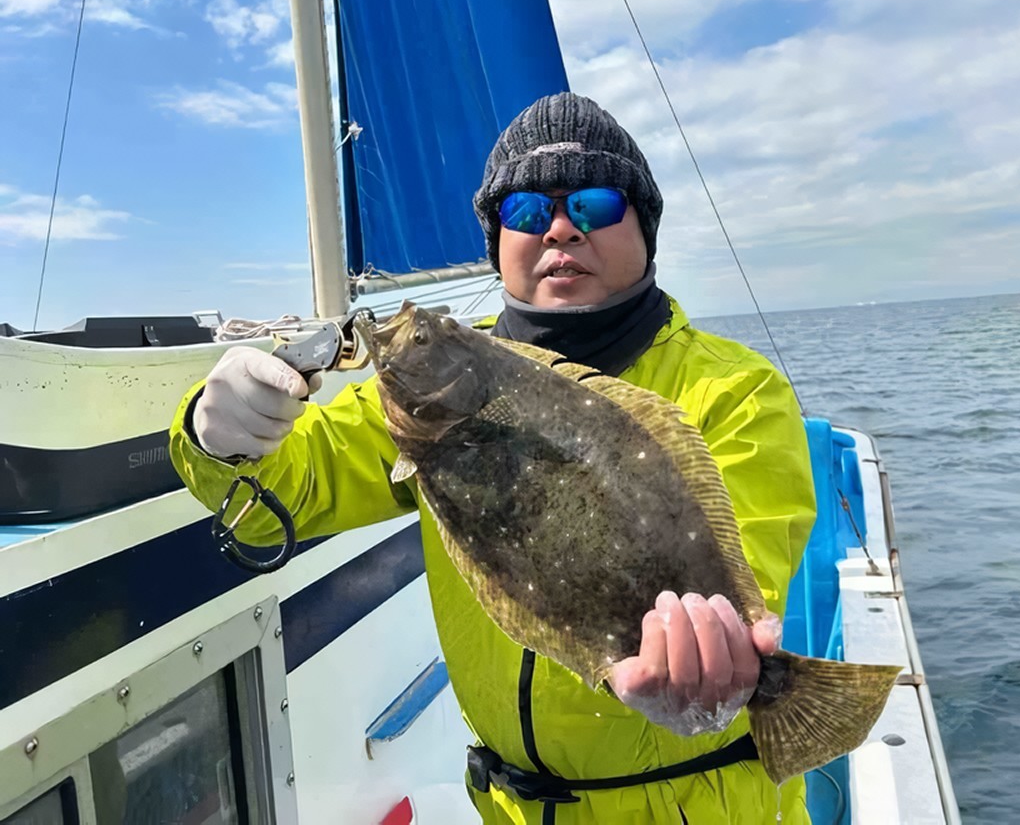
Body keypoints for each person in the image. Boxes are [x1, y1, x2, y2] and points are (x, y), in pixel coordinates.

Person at [170, 92, 818, 823]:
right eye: (527, 212)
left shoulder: (734, 390)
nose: (561, 229)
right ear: (497, 240)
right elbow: (278, 504)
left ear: (646, 226)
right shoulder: (439, 381)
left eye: (595, 204)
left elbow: (745, 571)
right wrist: (221, 436)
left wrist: (712, 663)